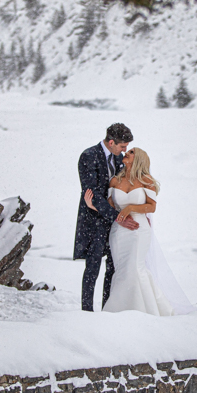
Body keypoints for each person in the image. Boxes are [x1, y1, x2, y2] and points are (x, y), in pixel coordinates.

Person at [84, 147, 195, 316]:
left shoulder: (146, 180)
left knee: (135, 267)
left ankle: (146, 310)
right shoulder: (115, 181)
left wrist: (130, 208)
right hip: (118, 232)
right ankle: (118, 310)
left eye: (131, 152)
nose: (126, 153)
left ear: (139, 159)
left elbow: (152, 206)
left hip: (138, 230)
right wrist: (92, 206)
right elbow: (110, 207)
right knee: (122, 269)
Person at [75, 123, 139, 311]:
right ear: (111, 142)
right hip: (94, 221)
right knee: (92, 268)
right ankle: (86, 311)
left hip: (115, 223)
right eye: (122, 146)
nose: (124, 150)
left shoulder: (121, 160)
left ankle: (107, 309)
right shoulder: (89, 156)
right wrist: (118, 217)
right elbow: (92, 193)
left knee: (113, 268)